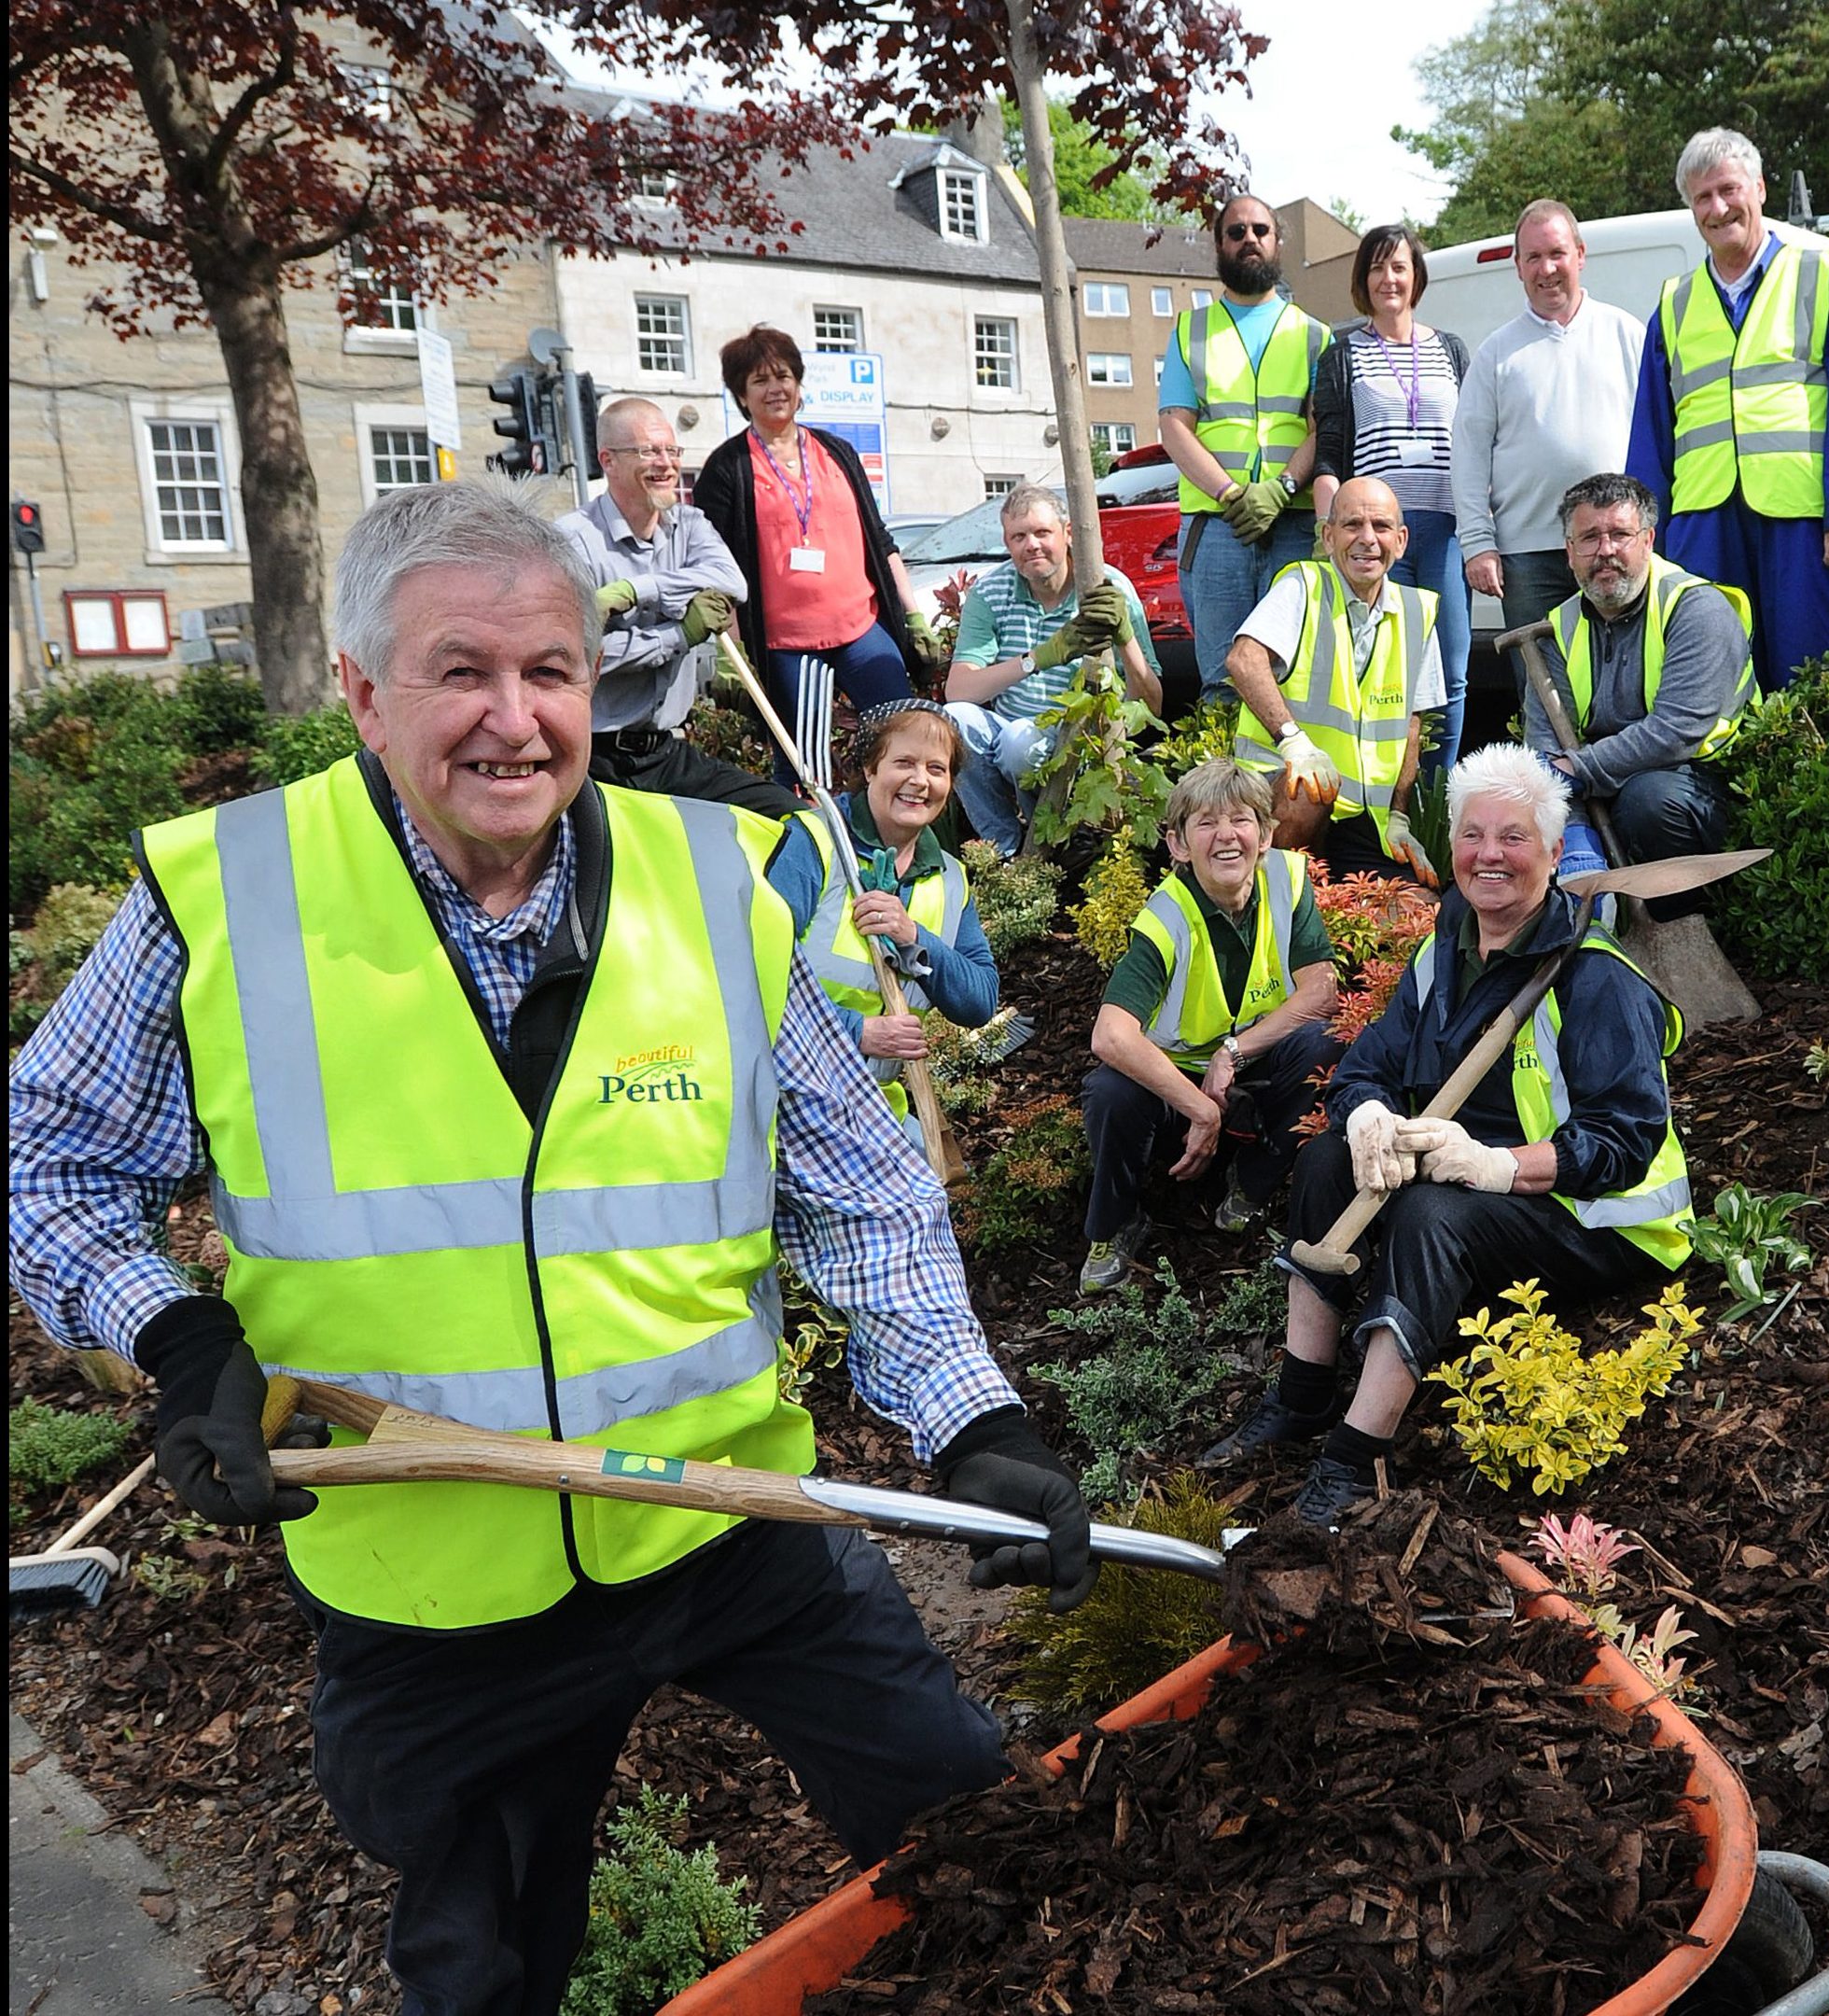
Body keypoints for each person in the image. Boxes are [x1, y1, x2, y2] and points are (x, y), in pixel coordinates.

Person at [6, 482, 1091, 2016]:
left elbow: (866, 1192)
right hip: (435, 1574)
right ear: (364, 692)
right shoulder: (224, 900)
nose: (513, 721)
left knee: (976, 1827)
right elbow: (44, 1156)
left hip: (722, 1514)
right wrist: (176, 1342)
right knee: (487, 1963)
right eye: (462, 672)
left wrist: (972, 1417)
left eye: (551, 673)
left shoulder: (714, 882)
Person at [1199, 744, 1694, 1526]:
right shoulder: (1447, 951)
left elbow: (1623, 1145)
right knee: (1329, 1158)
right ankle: (1300, 1397)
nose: (1488, 855)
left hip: (1601, 1218)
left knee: (1436, 1213)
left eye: (1513, 837)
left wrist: (1494, 1165)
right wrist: (1366, 1115)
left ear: (1556, 853)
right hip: (1477, 1185)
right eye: (1472, 835)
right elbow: (1370, 1064)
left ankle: (1355, 1457)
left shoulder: (1595, 979)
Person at [1627, 129, 1829, 691]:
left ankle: (1814, 782)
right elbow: (1651, 434)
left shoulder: (1821, 273)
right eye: (1702, 197)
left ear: (1760, 189)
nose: (1718, 208)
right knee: (1711, 674)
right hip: (1702, 521)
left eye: (1728, 190)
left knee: (1812, 671)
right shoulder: (1673, 303)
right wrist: (1645, 534)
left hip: (1801, 515)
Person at [1080, 760, 1345, 1293]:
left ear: (1266, 834)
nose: (1227, 836)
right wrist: (1200, 1109)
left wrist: (1233, 1052)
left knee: (1323, 1044)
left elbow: (1322, 993)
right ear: (1178, 845)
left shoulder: (1286, 879)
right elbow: (1110, 1036)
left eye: (1242, 820)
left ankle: (1250, 1185)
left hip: (1248, 1072)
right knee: (1110, 1092)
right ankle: (1115, 1222)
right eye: (1206, 823)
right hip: (1175, 1089)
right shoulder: (1166, 916)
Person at [693, 324, 946, 791]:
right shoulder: (727, 468)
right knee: (800, 766)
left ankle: (896, 842)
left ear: (799, 382)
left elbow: (880, 539)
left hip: (859, 627)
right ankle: (809, 850)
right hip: (786, 645)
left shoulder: (837, 452)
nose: (776, 389)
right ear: (742, 396)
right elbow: (713, 564)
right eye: (760, 381)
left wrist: (912, 616)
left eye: (784, 376)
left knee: (904, 737)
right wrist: (729, 652)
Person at [768, 700, 1000, 1155]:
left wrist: (913, 936)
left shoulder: (948, 877)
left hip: (874, 1107)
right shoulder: (814, 843)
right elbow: (749, 978)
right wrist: (858, 1032)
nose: (920, 781)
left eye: (937, 768)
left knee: (930, 1207)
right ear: (871, 768)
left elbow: (979, 1002)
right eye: (904, 763)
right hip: (787, 1098)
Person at [557, 398, 801, 817]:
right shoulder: (572, 541)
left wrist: (638, 589)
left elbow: (732, 582)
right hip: (592, 760)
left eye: (672, 451)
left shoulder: (688, 525)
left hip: (668, 753)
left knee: (786, 814)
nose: (666, 464)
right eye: (649, 451)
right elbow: (575, 658)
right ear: (608, 460)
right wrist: (678, 635)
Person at [1522, 473, 1752, 901]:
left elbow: (1676, 730)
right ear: (1569, 552)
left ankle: (1688, 915)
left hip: (1702, 782)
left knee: (1647, 800)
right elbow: (1544, 751)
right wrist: (1572, 827)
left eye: (1620, 535)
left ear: (1648, 540)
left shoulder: (1697, 609)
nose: (1605, 551)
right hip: (1596, 786)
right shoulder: (1555, 630)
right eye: (1589, 538)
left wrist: (1578, 771)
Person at [1228, 476, 1445, 882]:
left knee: (1422, 915)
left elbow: (1412, 727)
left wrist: (1399, 817)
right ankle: (1282, 900)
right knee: (1309, 794)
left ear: (1400, 541)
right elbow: (1244, 659)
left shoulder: (1418, 612)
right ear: (1328, 537)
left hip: (1366, 821)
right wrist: (1293, 742)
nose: (1367, 539)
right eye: (1352, 525)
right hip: (1283, 803)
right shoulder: (1303, 585)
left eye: (1380, 527)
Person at [1313, 224, 1474, 764]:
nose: (1389, 278)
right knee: (1391, 677)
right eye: (1378, 267)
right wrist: (1330, 536)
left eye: (1399, 266)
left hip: (1444, 533)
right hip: (1378, 538)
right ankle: (1389, 802)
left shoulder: (1451, 349)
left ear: (1416, 276)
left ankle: (1440, 801)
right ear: (1363, 278)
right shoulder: (1342, 354)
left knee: (1451, 673)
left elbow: (1474, 443)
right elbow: (1331, 453)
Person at [1159, 195, 1332, 700]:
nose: (1249, 239)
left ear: (1277, 242)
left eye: (1260, 230)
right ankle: (1227, 783)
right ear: (1219, 245)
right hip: (1216, 528)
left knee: (1294, 679)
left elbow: (1323, 429)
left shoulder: (1313, 335)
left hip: (1293, 524)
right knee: (1221, 680)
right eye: (1236, 232)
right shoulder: (1190, 330)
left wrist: (1280, 489)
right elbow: (1174, 427)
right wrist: (1232, 494)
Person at [1453, 200, 1651, 637]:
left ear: (1580, 254)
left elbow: (1660, 436)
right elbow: (1467, 456)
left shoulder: (1626, 334)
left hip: (1615, 543)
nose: (1546, 269)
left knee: (1625, 678)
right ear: (1517, 267)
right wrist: (1478, 544)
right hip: (1529, 555)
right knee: (1544, 692)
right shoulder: (1496, 354)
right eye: (1533, 257)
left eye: (1557, 254)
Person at [942, 484, 1162, 851]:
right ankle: (1004, 848)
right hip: (1011, 729)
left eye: (1042, 532)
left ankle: (1049, 845)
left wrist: (1125, 638)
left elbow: (1152, 703)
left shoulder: (1107, 586)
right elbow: (958, 691)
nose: (1031, 545)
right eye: (1019, 536)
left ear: (1068, 533)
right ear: (1007, 542)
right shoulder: (991, 593)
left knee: (1019, 744)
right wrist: (1041, 657)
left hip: (1084, 738)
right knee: (954, 720)